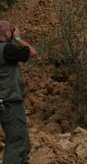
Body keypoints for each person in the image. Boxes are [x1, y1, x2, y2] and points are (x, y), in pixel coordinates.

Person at [0, 20, 37, 163]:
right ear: (4, 31)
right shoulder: (7, 49)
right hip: (9, 102)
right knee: (17, 142)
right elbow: (32, 52)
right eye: (11, 29)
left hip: (3, 101)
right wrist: (17, 38)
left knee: (22, 142)